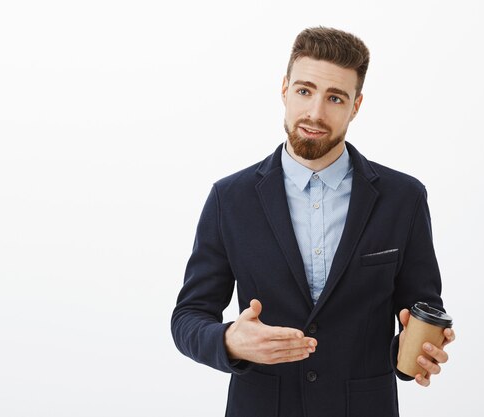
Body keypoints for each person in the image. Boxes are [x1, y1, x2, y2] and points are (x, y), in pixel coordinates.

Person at [171, 27, 455, 417]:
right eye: (304, 91)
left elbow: (422, 309)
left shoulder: (403, 198)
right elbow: (188, 317)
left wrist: (418, 351)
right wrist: (229, 340)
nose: (316, 113)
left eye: (335, 97)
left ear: (355, 106)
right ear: (285, 88)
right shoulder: (229, 199)